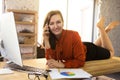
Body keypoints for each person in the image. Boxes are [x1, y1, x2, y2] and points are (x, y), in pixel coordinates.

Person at [42, 10, 120, 68]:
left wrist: (62, 64)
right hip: (80, 47)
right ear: (47, 26)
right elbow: (50, 60)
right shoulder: (50, 38)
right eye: (51, 23)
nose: (55, 26)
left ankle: (101, 28)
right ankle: (106, 30)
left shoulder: (73, 34)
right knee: (95, 45)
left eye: (58, 22)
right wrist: (46, 39)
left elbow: (80, 61)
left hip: (90, 52)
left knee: (111, 53)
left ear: (63, 23)